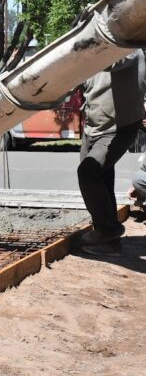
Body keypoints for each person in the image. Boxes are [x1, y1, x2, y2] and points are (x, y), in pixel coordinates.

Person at [77, 49, 146, 256]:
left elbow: (111, 62)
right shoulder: (96, 50)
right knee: (101, 179)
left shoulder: (129, 49)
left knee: (89, 172)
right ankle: (108, 239)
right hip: (93, 127)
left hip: (118, 127)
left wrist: (82, 51)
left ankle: (108, 231)